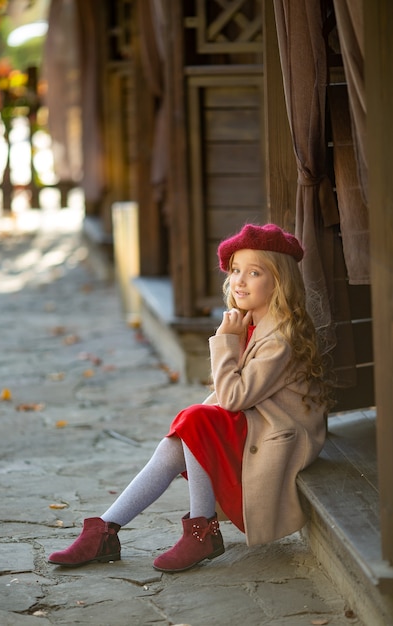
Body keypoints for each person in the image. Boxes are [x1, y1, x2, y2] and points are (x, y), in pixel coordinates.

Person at [48, 223, 331, 572]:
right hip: (258, 421)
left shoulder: (278, 338)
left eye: (254, 272)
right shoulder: (252, 322)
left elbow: (232, 398)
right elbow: (234, 398)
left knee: (198, 421)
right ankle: (106, 530)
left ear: (279, 283)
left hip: (282, 435)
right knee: (181, 438)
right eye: (236, 270)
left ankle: (202, 530)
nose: (240, 281)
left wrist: (225, 340)